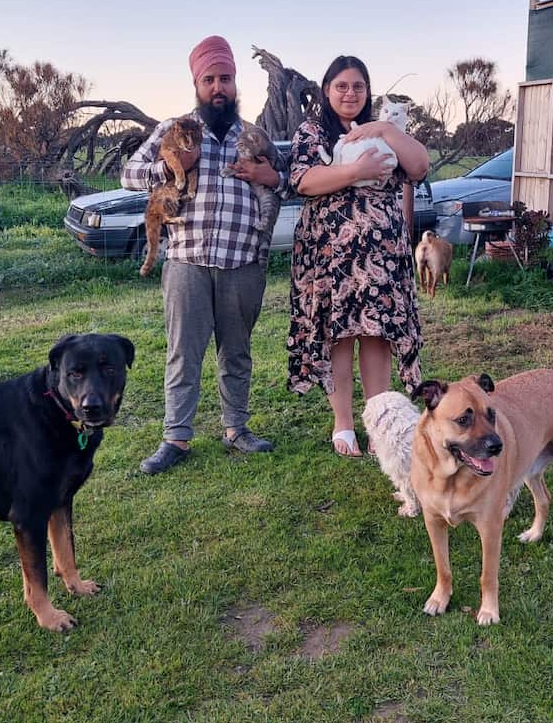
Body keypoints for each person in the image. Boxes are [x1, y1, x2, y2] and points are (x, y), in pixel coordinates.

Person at [122, 35, 287, 475]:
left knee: (237, 350)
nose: (219, 88)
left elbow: (285, 181)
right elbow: (129, 173)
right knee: (183, 352)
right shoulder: (174, 129)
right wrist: (178, 166)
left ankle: (237, 429)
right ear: (196, 83)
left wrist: (270, 175)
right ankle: (176, 437)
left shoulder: (253, 135)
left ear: (235, 84)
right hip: (186, 261)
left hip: (242, 262)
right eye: (210, 79)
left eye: (226, 79)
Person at [286, 55, 430, 457]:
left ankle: (378, 420)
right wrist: (357, 170)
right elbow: (303, 180)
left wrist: (384, 128)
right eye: (341, 86)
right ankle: (343, 424)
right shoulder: (313, 132)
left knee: (376, 333)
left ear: (368, 91)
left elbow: (418, 166)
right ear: (327, 90)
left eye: (358, 86)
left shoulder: (383, 131)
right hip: (331, 253)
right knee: (339, 335)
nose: (350, 93)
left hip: (381, 253)